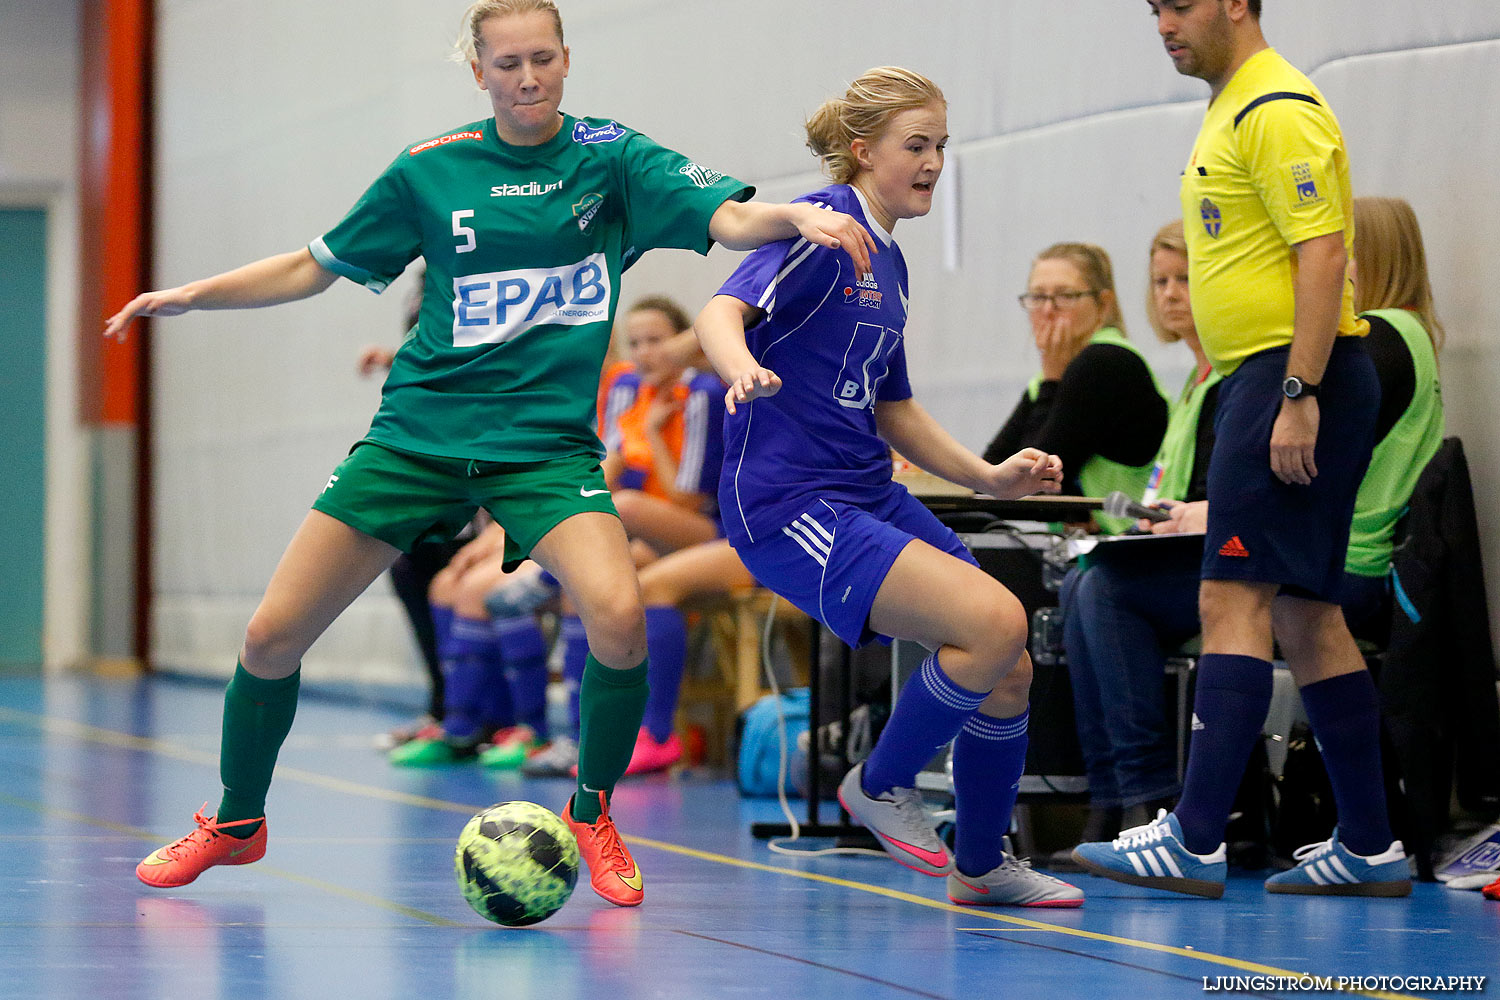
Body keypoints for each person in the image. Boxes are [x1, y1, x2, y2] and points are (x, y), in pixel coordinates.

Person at [111, 0, 878, 909]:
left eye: (543, 59)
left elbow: (729, 219)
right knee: (272, 635)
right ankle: (237, 822)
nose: (527, 78)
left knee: (620, 615)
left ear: (565, 59)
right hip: (417, 437)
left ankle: (592, 810)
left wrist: (796, 215)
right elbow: (314, 264)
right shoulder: (428, 172)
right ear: (479, 73)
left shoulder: (613, 159)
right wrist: (193, 295)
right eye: (507, 63)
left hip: (543, 450)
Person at [694, 66, 1082, 907]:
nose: (935, 160)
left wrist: (988, 477)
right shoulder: (819, 226)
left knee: (1006, 661)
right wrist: (742, 370)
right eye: (917, 144)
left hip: (865, 491)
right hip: (788, 503)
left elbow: (894, 407)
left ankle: (980, 867)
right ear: (863, 152)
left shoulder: (890, 265)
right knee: (995, 621)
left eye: (942, 144)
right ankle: (881, 781)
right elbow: (718, 314)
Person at [1074, 0, 1411, 898]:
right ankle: (1372, 844)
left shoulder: (1275, 107)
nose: (1162, 24)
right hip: (1275, 380)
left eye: (1179, 5)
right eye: (1153, 9)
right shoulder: (1230, 105)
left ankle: (1192, 838)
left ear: (1237, 3)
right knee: (1305, 611)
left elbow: (1325, 252)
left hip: (1289, 379)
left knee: (1230, 595)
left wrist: (1296, 393)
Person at [1053, 220, 1222, 861]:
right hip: (1179, 544)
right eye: (1161, 282)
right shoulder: (1192, 381)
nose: (1172, 295)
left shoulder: (1231, 378)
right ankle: (1105, 795)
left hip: (1230, 555)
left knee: (1107, 590)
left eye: (1186, 279)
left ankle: (1145, 796)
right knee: (1081, 583)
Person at [985, 243, 1168, 533]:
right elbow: (992, 475)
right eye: (1037, 297)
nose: (1047, 310)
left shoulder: (1104, 361)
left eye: (1065, 297)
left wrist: (1052, 383)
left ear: (1103, 305)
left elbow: (1030, 485)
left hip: (1130, 547)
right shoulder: (1051, 376)